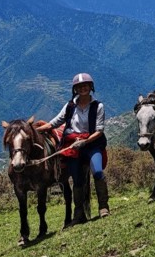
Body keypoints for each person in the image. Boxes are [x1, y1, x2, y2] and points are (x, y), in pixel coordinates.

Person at [37, 72, 109, 223]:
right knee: (77, 179)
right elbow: (55, 122)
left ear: (91, 87)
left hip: (92, 144)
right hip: (72, 146)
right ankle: (79, 213)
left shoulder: (98, 106)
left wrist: (85, 142)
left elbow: (99, 130)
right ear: (75, 89)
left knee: (97, 172)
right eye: (79, 86)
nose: (83, 88)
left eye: (85, 86)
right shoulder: (69, 106)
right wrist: (34, 130)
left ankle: (103, 206)